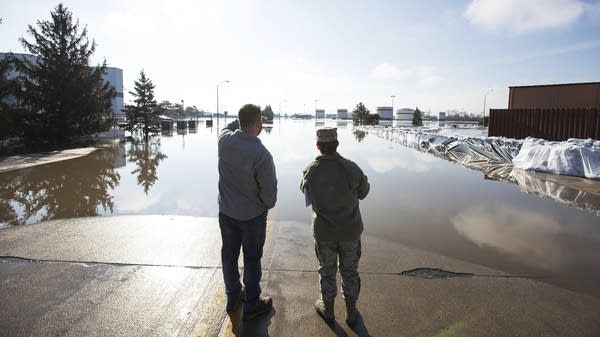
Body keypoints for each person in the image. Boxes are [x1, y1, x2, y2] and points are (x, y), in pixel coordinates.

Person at [300, 127, 370, 325]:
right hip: (350, 232)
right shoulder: (351, 168)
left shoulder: (310, 170)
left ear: (318, 146)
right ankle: (351, 312)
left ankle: (328, 311)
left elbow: (305, 192)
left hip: (324, 233)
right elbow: (364, 192)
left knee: (327, 270)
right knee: (349, 271)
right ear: (337, 144)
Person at [218, 103, 278, 321]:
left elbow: (226, 127)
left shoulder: (223, 142)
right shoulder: (262, 155)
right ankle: (252, 304)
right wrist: (261, 204)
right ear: (259, 122)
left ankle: (233, 296)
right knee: (252, 259)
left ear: (240, 121)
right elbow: (270, 198)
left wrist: (238, 122)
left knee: (229, 255)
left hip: (226, 213)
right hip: (252, 217)